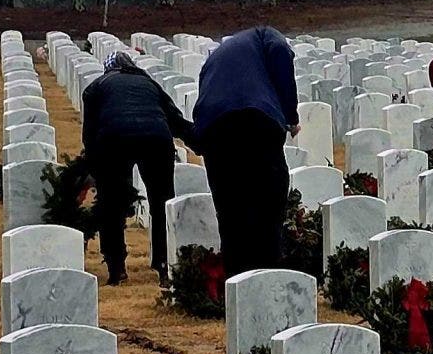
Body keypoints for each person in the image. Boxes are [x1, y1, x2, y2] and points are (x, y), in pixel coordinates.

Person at [193, 26, 299, 279]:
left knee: (230, 209)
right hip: (256, 118)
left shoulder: (217, 55)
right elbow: (281, 53)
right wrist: (291, 115)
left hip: (214, 127)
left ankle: (237, 281)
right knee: (269, 200)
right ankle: (266, 274)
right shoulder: (267, 34)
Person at [82, 52, 196, 285]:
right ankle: (165, 266)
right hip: (156, 138)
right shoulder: (149, 83)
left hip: (113, 138)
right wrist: (200, 142)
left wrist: (93, 166)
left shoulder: (96, 87)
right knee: (162, 203)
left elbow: (90, 132)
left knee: (111, 204)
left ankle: (116, 268)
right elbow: (175, 120)